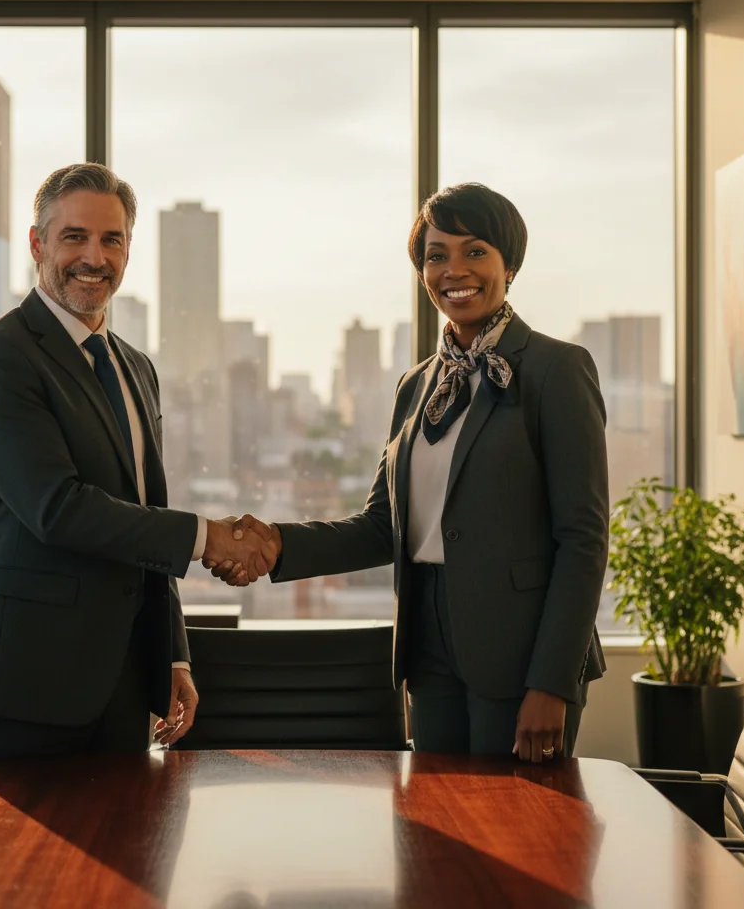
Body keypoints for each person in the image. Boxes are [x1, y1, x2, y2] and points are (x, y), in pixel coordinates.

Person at [210, 183, 608, 761]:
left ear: (510, 264)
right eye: (436, 255)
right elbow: (381, 526)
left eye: (475, 251)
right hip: (427, 648)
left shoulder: (556, 369)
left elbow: (583, 540)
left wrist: (552, 681)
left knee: (522, 836)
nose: (454, 270)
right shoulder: (416, 386)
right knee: (435, 828)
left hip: (521, 650)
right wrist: (274, 545)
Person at [0, 163, 274, 759]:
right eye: (75, 237)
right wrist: (208, 538)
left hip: (120, 682)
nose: (94, 257)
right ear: (38, 244)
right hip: (21, 681)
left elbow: (144, 514)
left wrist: (171, 652)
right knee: (11, 856)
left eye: (111, 239)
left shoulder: (135, 367)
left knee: (124, 848)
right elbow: (57, 509)